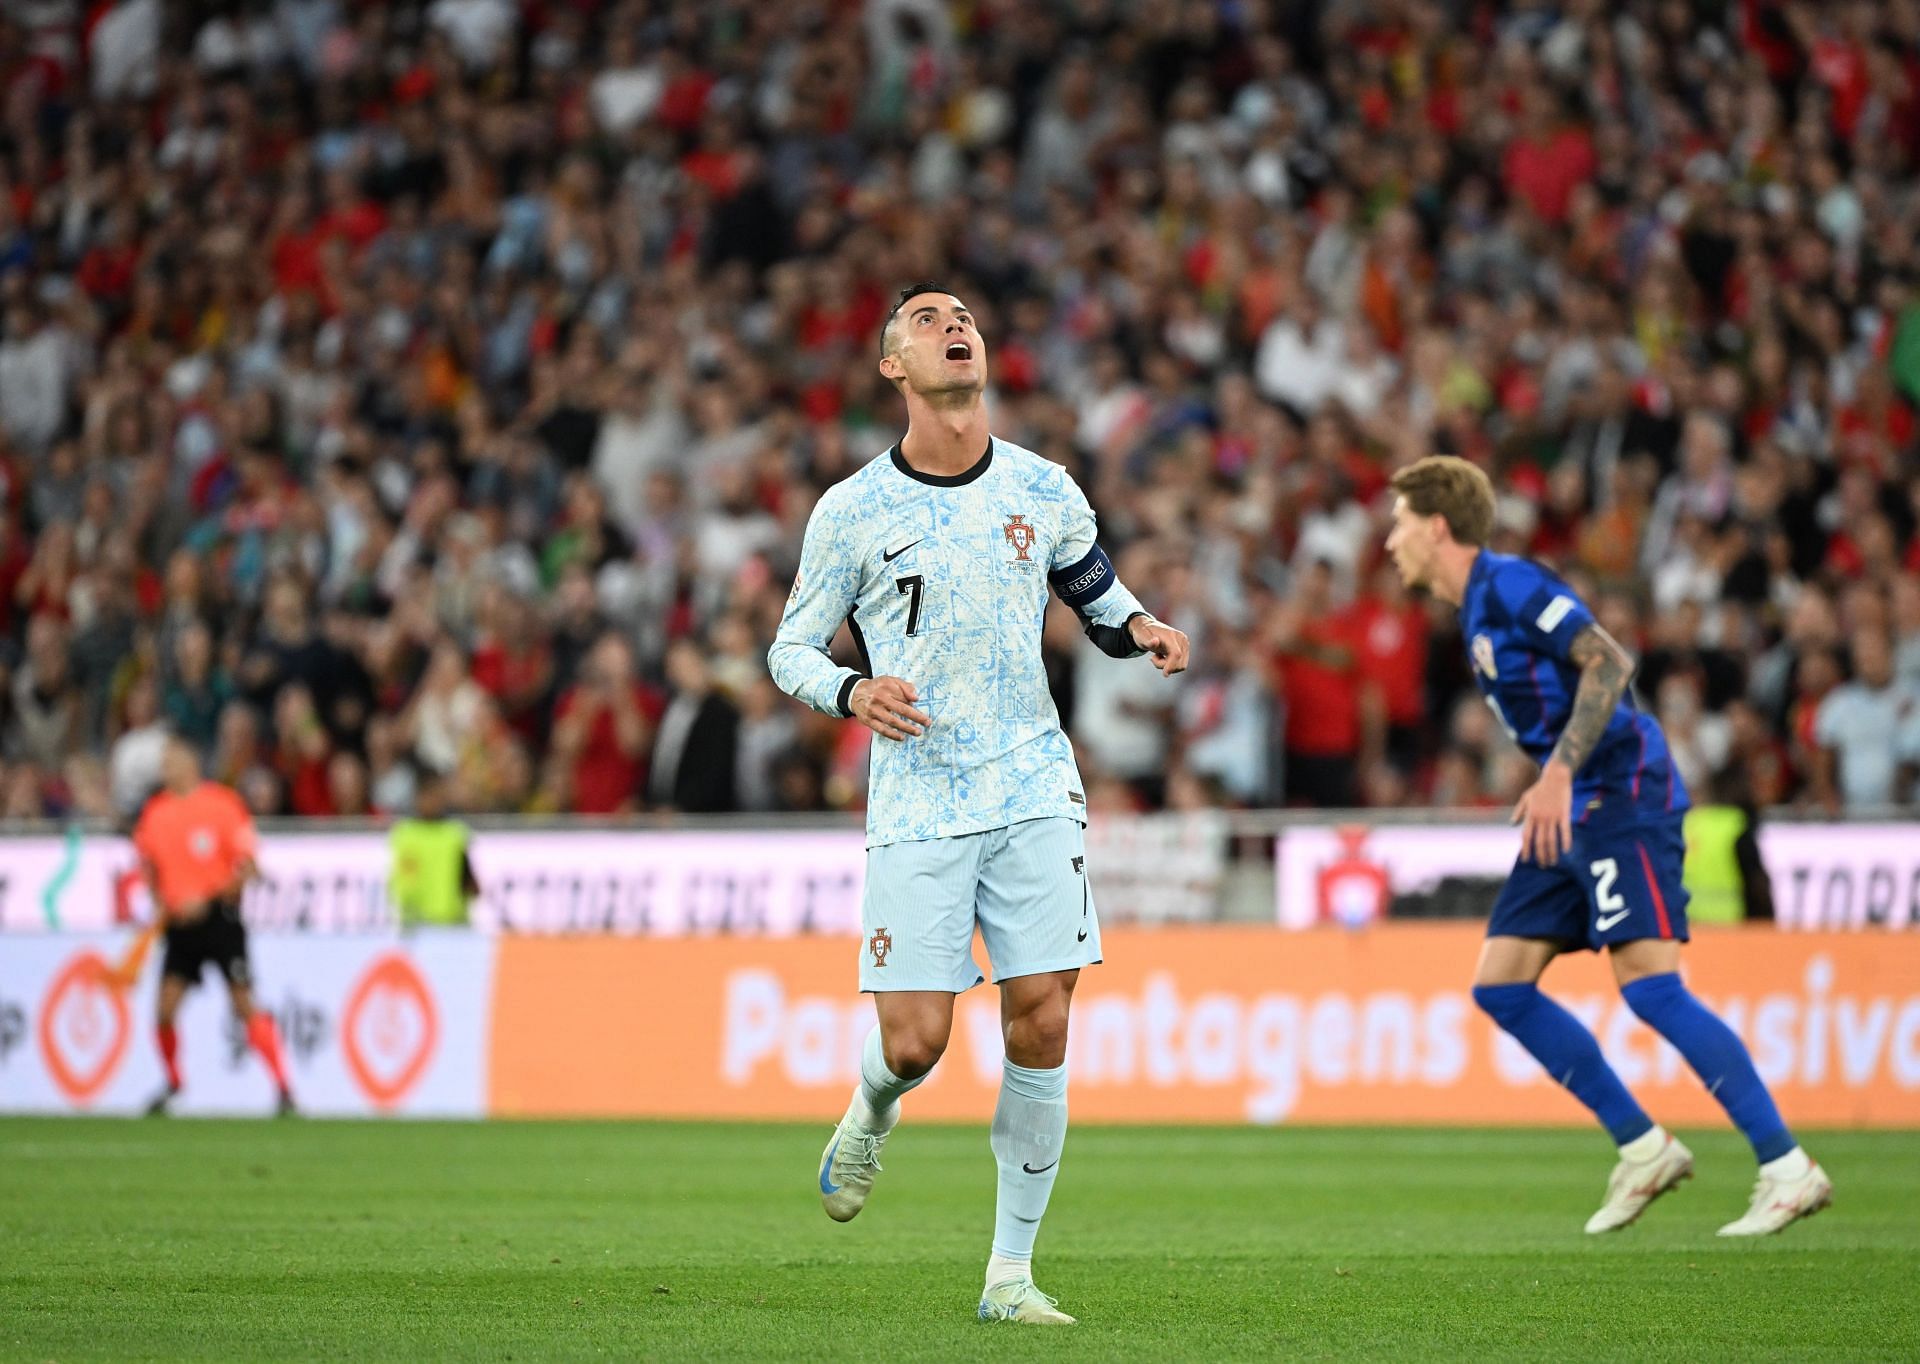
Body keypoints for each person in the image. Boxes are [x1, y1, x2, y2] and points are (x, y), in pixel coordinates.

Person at [769, 284, 1189, 1325]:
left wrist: (1142, 627)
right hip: (916, 796)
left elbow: (1096, 597)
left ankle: (1010, 1274)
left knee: (1042, 1015)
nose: (953, 325)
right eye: (924, 319)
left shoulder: (1045, 487)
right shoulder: (852, 510)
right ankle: (871, 1105)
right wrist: (849, 689)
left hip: (1034, 781)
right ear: (892, 367)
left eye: (962, 316)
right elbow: (787, 647)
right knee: (916, 1042)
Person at [1383, 456, 1828, 1237]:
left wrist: (1555, 772)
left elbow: (1610, 662)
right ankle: (1644, 1146)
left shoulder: (1513, 584)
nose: (1389, 541)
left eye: (1399, 523)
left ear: (1437, 527)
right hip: (1573, 803)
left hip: (1619, 791)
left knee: (1651, 987)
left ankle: (1787, 1167)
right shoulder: (1475, 610)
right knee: (1501, 984)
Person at [131, 733, 295, 1116]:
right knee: (164, 1009)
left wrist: (205, 899)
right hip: (180, 927)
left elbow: (250, 868)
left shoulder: (222, 805)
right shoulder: (155, 812)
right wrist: (162, 904)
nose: (164, 768)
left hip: (220, 920)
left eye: (171, 760)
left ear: (191, 763)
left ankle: (284, 1087)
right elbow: (148, 866)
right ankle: (173, 1083)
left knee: (244, 1004)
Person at [387, 771, 479, 928]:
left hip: (452, 921)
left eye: (437, 796)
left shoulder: (455, 834)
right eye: (428, 796)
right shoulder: (406, 834)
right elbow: (404, 878)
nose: (432, 802)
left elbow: (468, 878)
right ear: (418, 798)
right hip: (417, 923)